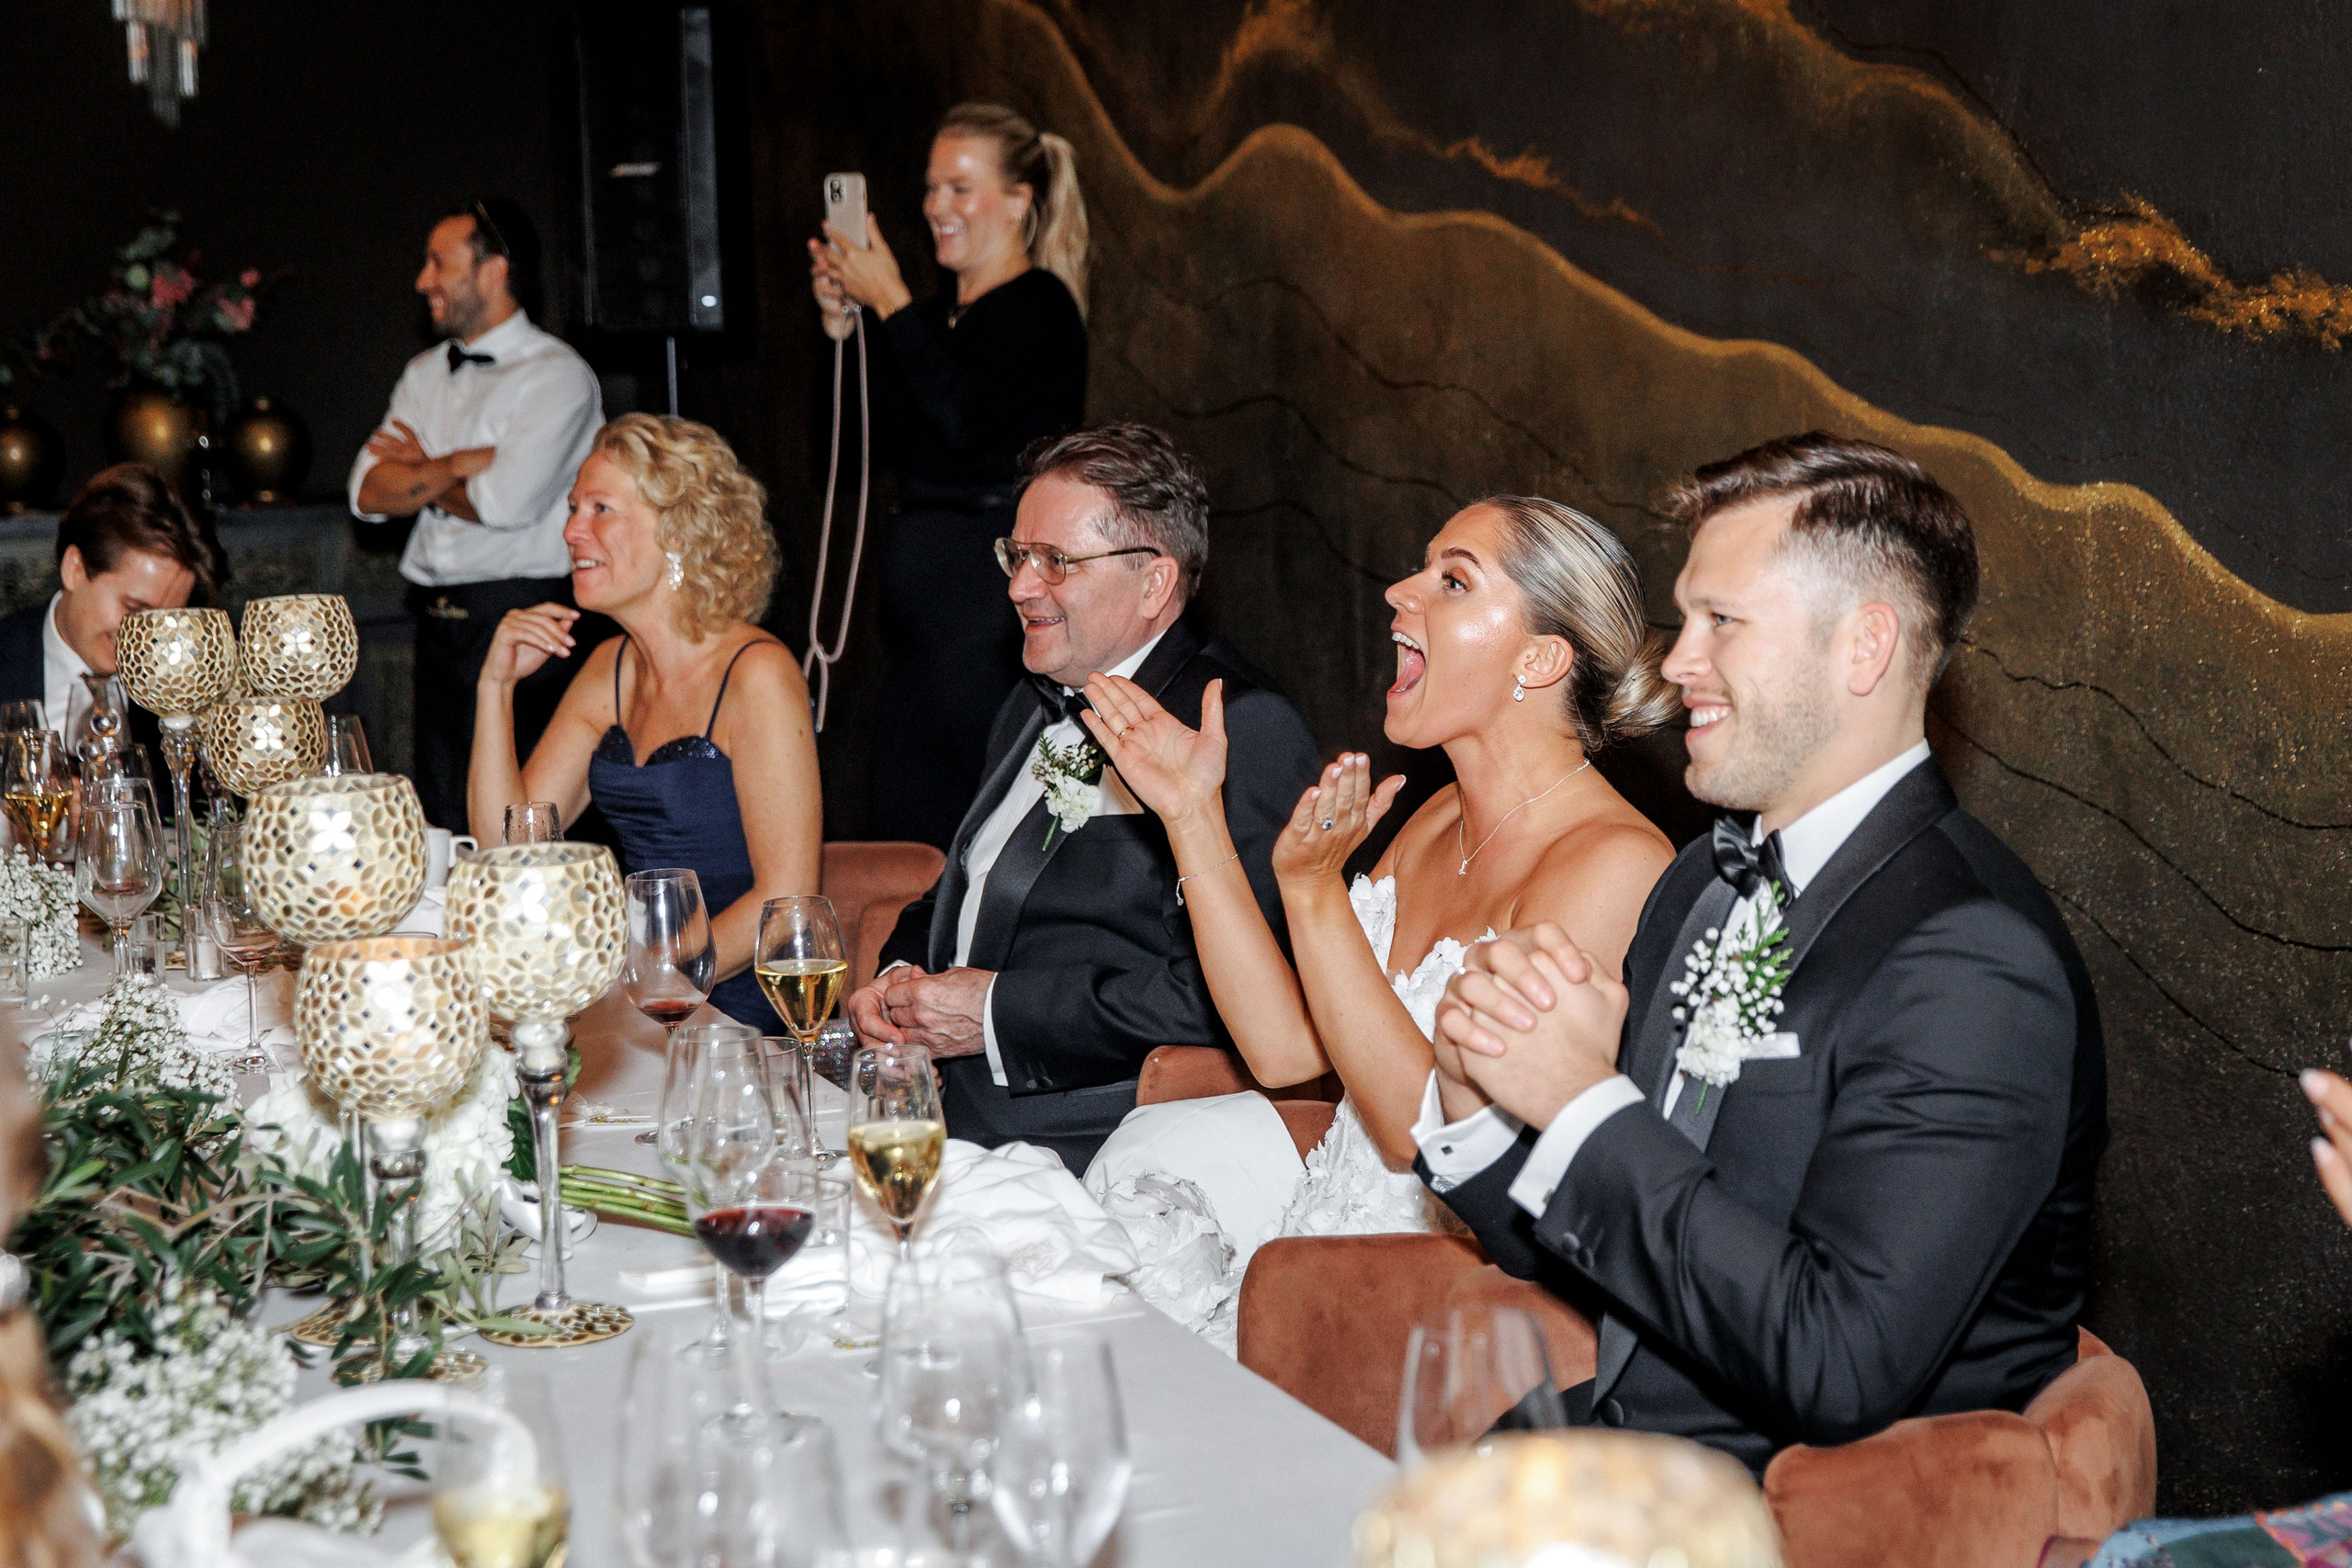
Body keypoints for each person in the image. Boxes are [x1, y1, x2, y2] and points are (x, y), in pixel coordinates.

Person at [1419, 433, 2108, 1475]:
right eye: (1686, 617)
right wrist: (1480, 1100)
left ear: (1862, 649)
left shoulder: (1972, 958)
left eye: (1721, 623)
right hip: (1605, 1464)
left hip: (1807, 1516)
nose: (1676, 660)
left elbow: (1838, 1362)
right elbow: (1622, 1249)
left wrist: (1582, 1103)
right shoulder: (1701, 884)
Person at [1075, 496, 1679, 1343]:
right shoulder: (1435, 818)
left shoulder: (1615, 862)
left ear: (1540, 657)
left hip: (1432, 1305)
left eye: (1453, 580)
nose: (1399, 591)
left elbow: (1426, 1128)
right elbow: (1286, 1049)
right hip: (1311, 1248)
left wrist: (1318, 893)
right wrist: (1191, 816)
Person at [844, 424, 1320, 1174]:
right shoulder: (1034, 701)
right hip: (940, 1107)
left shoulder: (1236, 728)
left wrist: (995, 1015)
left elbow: (1234, 995)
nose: (1018, 586)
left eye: (1055, 562)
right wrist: (898, 983)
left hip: (1089, 1140)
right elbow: (961, 892)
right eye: (1017, 555)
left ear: (1154, 582)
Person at [468, 414, 820, 1028]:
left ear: (679, 531)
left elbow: (784, 898)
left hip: (741, 1009)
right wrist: (495, 687)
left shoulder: (757, 674)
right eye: (573, 508)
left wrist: (643, 975)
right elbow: (507, 852)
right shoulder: (611, 667)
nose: (572, 530)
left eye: (600, 509)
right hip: (644, 998)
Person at [809, 101, 1090, 850]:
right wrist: (845, 327)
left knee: (980, 818)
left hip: (988, 606)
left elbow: (965, 422)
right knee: (904, 819)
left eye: (960, 189)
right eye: (932, 189)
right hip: (920, 622)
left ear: (1019, 200)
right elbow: (860, 439)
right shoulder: (932, 321)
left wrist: (892, 301)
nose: (937, 207)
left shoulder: (1042, 308)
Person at [350, 197, 608, 830]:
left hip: (522, 614)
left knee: (526, 815)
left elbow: (506, 502)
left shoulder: (558, 375)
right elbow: (367, 491)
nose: (422, 281)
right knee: (442, 808)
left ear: (495, 271)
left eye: (439, 263)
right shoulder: (422, 373)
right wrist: (463, 461)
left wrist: (421, 468)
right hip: (437, 621)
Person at [0, 462, 221, 767]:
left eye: (166, 620)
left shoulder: (190, 685)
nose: (150, 639)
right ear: (74, 569)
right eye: (133, 610)